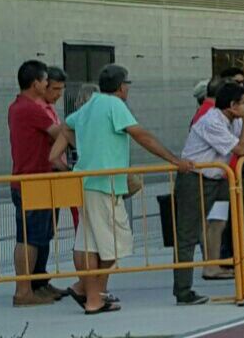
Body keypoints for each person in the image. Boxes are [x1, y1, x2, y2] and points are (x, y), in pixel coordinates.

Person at [49, 65, 192, 313]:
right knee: (116, 242)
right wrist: (174, 160)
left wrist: (79, 151)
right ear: (121, 87)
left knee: (89, 243)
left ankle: (89, 292)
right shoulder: (115, 105)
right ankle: (91, 294)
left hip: (85, 181)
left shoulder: (90, 105)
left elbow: (66, 128)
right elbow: (142, 136)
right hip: (106, 184)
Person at [173, 82, 244, 304]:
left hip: (219, 178)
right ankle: (183, 290)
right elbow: (240, 149)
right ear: (232, 105)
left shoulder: (234, 121)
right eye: (243, 104)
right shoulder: (211, 121)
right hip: (195, 179)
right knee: (187, 235)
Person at [8, 61, 65, 307]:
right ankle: (23, 291)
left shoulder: (19, 107)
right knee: (29, 237)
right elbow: (60, 134)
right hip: (33, 181)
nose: (47, 84)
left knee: (41, 235)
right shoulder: (31, 109)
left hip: (38, 179)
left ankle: (38, 283)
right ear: (35, 84)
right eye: (45, 81)